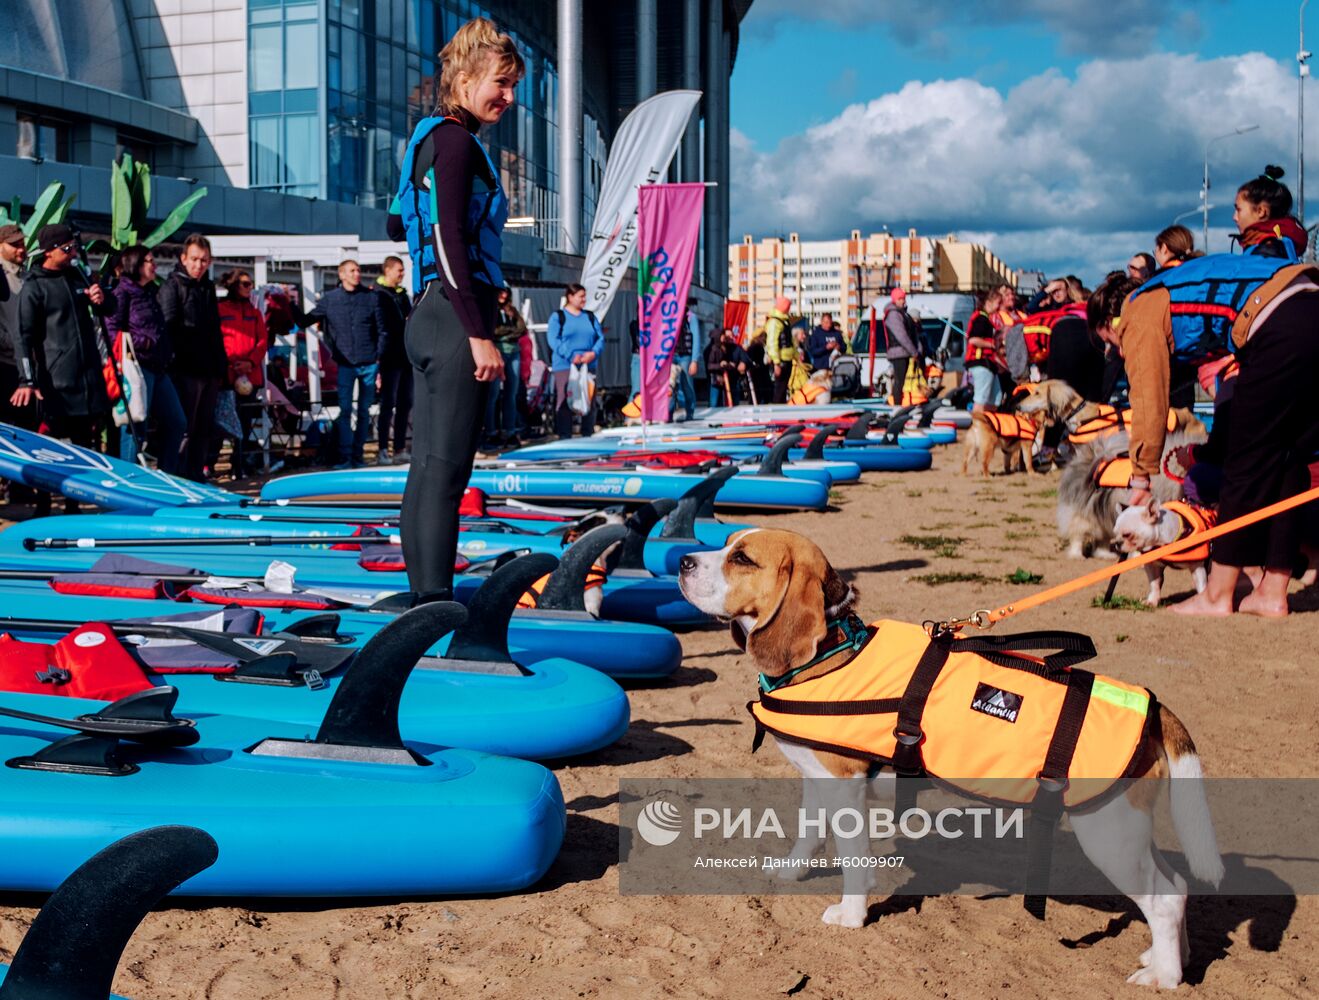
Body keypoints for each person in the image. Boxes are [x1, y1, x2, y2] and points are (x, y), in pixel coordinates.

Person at [1087, 165, 1318, 618]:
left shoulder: (1138, 311)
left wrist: (1140, 478)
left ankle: (1217, 594)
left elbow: (1149, 401)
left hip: (1279, 321)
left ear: (1109, 324)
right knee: (1287, 458)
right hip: (1310, 299)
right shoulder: (1171, 290)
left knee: (1243, 463)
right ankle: (1271, 593)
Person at [387, 15, 521, 603]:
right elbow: (446, 239)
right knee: (446, 473)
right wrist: (479, 332)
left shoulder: (427, 139)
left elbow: (398, 222)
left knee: (429, 469)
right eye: (502, 82)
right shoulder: (455, 141)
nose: (509, 97)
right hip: (450, 318)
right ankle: (434, 608)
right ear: (466, 78)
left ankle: (425, 599)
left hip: (426, 315)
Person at [16, 224, 114, 508]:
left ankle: (75, 504)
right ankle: (44, 503)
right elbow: (23, 336)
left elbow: (109, 308)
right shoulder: (34, 286)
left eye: (74, 247)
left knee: (84, 446)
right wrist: (27, 380)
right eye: (66, 249)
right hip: (56, 382)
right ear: (48, 252)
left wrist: (101, 298)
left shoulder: (78, 276)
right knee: (49, 448)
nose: (73, 253)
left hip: (86, 379)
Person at [105, 245, 185, 473]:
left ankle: (168, 474)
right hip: (137, 367)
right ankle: (128, 478)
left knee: (176, 421)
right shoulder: (122, 293)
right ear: (136, 264)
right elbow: (112, 330)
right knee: (134, 425)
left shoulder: (149, 292)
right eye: (149, 260)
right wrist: (143, 342)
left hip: (159, 368)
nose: (154, 265)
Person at [301, 260, 387, 469]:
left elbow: (382, 330)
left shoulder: (370, 297)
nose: (357, 273)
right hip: (345, 363)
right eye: (352, 270)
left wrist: (378, 358)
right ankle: (345, 457)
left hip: (368, 362)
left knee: (364, 410)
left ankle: (358, 456)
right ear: (341, 275)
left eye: (358, 270)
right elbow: (307, 320)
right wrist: (285, 311)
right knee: (345, 409)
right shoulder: (330, 300)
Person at [160, 233, 225, 482]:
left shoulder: (207, 287)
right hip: (185, 368)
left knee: (203, 428)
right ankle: (177, 477)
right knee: (183, 427)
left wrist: (221, 366)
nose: (199, 265)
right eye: (195, 259)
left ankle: (196, 475)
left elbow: (215, 329)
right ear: (184, 258)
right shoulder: (172, 286)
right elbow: (168, 327)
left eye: (204, 260)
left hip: (209, 368)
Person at [0, 224, 45, 506]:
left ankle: (19, 491)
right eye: (14, 244)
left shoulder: (29, 277)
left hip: (27, 367)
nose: (21, 249)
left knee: (24, 430)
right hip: (3, 365)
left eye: (22, 243)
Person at [217, 268, 268, 475]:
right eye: (245, 284)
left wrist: (250, 362)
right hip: (227, 376)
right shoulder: (220, 310)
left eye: (251, 284)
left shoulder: (254, 313)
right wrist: (231, 364)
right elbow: (217, 340)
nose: (249, 288)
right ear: (234, 286)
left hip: (249, 376)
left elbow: (262, 341)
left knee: (245, 423)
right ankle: (210, 462)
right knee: (221, 421)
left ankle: (239, 463)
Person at [546, 282, 603, 437]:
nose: (584, 299)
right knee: (565, 399)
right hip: (565, 365)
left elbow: (600, 338)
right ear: (570, 297)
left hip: (588, 364)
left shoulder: (590, 316)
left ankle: (587, 433)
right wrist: (571, 355)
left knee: (589, 399)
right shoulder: (558, 317)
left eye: (585, 296)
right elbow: (553, 339)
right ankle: (565, 435)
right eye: (581, 296)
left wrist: (593, 353)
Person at [374, 255, 413, 464]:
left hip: (406, 356)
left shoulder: (402, 295)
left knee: (405, 403)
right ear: (387, 270)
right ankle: (382, 449)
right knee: (388, 403)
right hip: (389, 357)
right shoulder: (378, 295)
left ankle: (399, 448)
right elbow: (380, 327)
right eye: (399, 270)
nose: (402, 274)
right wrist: (378, 355)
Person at [488, 287, 526, 445]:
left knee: (511, 393)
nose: (503, 295)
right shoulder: (490, 308)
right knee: (493, 395)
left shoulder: (512, 310)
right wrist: (509, 332)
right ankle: (491, 431)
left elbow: (522, 329)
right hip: (497, 352)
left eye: (506, 292)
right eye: (500, 292)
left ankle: (510, 431)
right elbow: (493, 331)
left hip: (513, 352)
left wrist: (506, 333)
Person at [964, 286, 1006, 412]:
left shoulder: (986, 319)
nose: (999, 307)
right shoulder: (981, 319)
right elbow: (974, 340)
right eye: (998, 303)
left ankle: (987, 423)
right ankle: (977, 426)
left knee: (996, 398)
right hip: (981, 364)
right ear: (989, 302)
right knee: (981, 399)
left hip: (989, 365)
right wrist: (994, 345)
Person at [881, 288, 922, 405]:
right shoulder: (894, 315)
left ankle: (902, 403)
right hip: (899, 352)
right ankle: (896, 406)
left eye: (904, 298)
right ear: (894, 300)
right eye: (900, 299)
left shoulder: (902, 313)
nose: (903, 301)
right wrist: (914, 351)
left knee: (902, 381)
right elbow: (902, 335)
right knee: (900, 381)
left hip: (903, 351)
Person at [705, 328, 750, 407]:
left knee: (732, 402)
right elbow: (711, 364)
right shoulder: (715, 348)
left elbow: (746, 357)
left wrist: (742, 363)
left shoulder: (735, 348)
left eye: (731, 336)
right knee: (715, 402)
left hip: (732, 380)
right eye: (727, 336)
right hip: (718, 380)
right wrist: (722, 365)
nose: (730, 338)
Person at [670, 301, 698, 421]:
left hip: (685, 356)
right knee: (670, 386)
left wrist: (694, 360)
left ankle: (689, 411)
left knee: (686, 385)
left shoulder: (691, 317)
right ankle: (671, 412)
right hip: (671, 355)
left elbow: (696, 338)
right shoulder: (669, 315)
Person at [763, 296, 794, 403]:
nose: (789, 308)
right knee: (779, 389)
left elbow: (790, 341)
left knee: (783, 389)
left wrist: (797, 356)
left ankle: (780, 411)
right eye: (788, 306)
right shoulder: (775, 322)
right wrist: (776, 363)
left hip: (787, 359)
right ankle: (776, 414)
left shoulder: (784, 321)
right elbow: (772, 344)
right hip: (780, 361)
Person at [746, 329, 772, 405]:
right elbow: (756, 362)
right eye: (763, 336)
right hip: (758, 378)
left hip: (760, 377)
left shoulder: (759, 346)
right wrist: (766, 363)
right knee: (758, 398)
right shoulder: (756, 347)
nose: (765, 339)